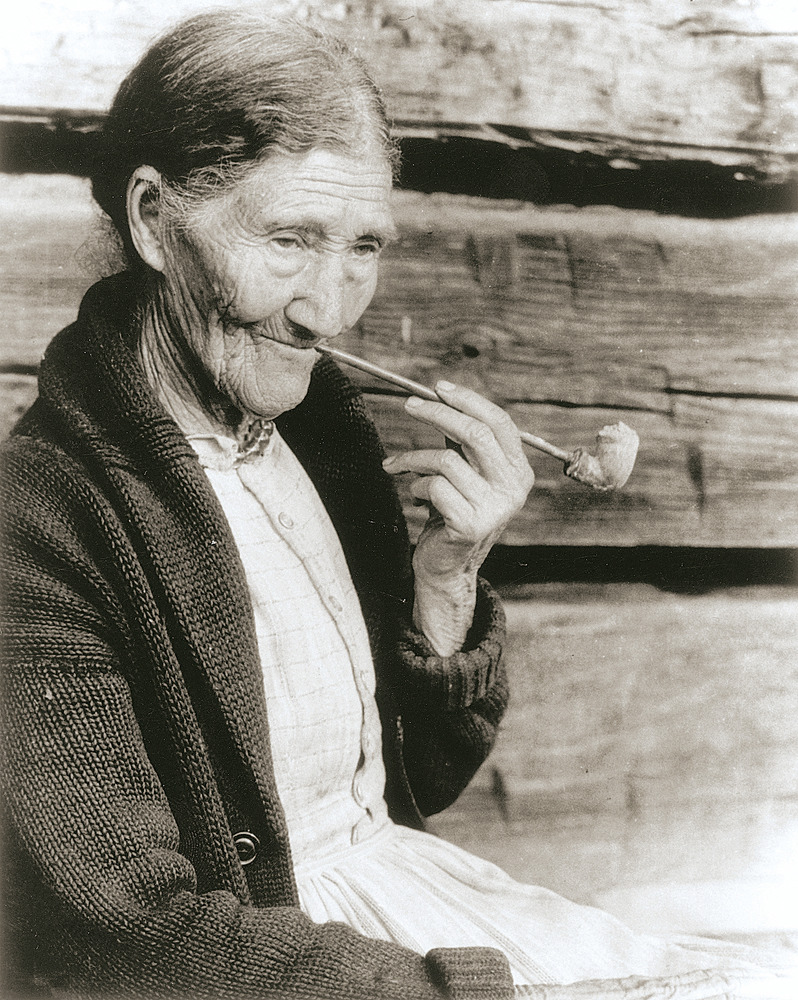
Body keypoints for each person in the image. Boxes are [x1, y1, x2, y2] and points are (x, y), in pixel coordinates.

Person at [1, 11, 793, 1000]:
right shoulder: (41, 518)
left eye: (363, 246)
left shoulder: (314, 444)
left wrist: (446, 578)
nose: (330, 306)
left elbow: (403, 795)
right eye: (290, 239)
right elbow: (127, 941)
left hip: (396, 914)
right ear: (156, 219)